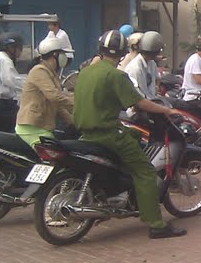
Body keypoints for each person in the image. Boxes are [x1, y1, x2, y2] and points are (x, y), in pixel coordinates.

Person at [72, 30, 186, 238]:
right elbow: (139, 102)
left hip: (86, 133)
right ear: (123, 53)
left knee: (133, 137)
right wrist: (167, 110)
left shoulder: (87, 72)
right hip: (108, 134)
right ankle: (156, 224)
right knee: (146, 172)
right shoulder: (116, 75)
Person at [15, 36, 73, 147]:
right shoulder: (39, 71)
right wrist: (80, 104)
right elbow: (55, 97)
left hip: (42, 127)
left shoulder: (51, 73)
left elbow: (57, 105)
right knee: (55, 157)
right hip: (31, 127)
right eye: (63, 54)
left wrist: (73, 122)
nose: (65, 57)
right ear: (55, 55)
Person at [0, 34, 25, 131]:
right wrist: (29, 86)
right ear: (11, 48)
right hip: (3, 105)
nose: (21, 51)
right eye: (19, 48)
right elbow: (11, 80)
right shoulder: (5, 60)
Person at [124, 31, 164, 100]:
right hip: (139, 107)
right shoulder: (135, 68)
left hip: (151, 101)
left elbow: (157, 79)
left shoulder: (151, 63)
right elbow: (139, 98)